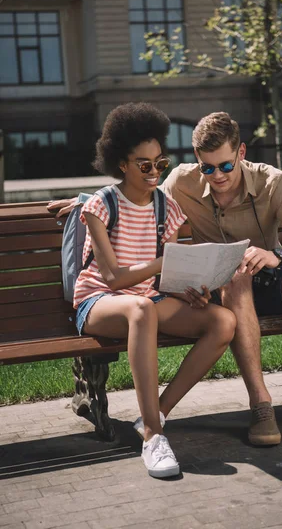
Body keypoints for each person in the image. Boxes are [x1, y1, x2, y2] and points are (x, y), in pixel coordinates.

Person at [49, 110, 282, 447]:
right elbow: (131, 193)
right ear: (197, 161)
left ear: (241, 153)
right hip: (222, 287)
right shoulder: (181, 183)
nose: (216, 175)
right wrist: (86, 202)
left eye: (226, 166)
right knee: (235, 278)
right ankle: (261, 405)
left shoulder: (273, 181)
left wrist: (275, 255)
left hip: (269, 274)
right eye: (207, 167)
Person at [67, 103, 236, 478]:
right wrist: (164, 265)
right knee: (140, 309)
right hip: (99, 303)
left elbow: (163, 279)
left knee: (223, 321)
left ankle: (154, 414)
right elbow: (111, 278)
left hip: (148, 299)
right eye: (144, 165)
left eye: (161, 163)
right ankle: (154, 441)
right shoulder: (101, 205)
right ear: (122, 164)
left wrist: (187, 289)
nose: (155, 172)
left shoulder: (167, 206)